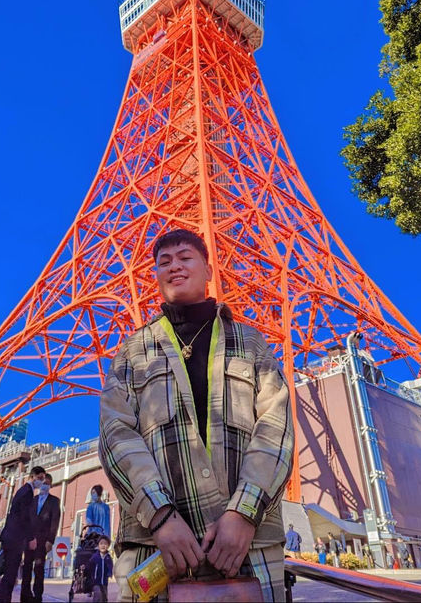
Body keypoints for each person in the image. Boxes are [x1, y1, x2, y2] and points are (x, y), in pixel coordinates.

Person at [99, 228, 294, 602]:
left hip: (247, 551)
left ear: (208, 269)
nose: (175, 266)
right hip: (155, 549)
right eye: (164, 261)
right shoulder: (132, 350)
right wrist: (159, 516)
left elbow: (276, 426)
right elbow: (115, 432)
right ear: (155, 275)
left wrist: (243, 514)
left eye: (185, 257)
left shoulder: (250, 342)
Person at [0, 465, 45, 603]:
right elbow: (25, 517)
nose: (41, 482)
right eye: (39, 478)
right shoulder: (27, 493)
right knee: (10, 575)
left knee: (9, 574)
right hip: (14, 539)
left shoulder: (23, 491)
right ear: (32, 476)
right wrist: (31, 538)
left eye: (43, 479)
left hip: (10, 537)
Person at [21, 473, 61, 603]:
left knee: (39, 569)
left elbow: (55, 522)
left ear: (51, 485)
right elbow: (26, 520)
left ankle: (37, 597)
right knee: (26, 567)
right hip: (29, 539)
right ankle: (25, 596)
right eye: (43, 482)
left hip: (43, 541)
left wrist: (50, 540)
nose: (44, 486)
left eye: (47, 483)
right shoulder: (32, 500)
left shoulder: (54, 501)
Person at [88, 535, 114, 603]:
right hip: (96, 581)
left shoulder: (108, 557)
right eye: (101, 543)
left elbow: (110, 566)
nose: (103, 545)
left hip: (105, 582)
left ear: (108, 546)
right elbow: (90, 566)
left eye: (105, 544)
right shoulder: (95, 557)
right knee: (98, 595)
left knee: (104, 597)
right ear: (98, 545)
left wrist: (110, 573)